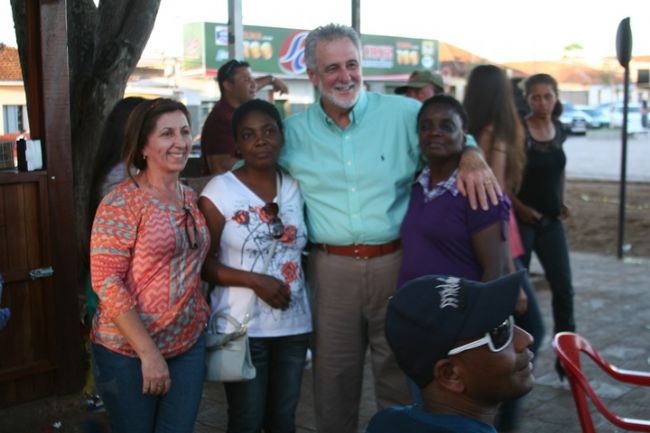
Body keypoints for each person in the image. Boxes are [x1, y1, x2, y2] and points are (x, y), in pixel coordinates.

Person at [280, 23, 501, 433]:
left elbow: (452, 131)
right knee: (333, 380)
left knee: (400, 374)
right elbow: (249, 171)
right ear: (312, 75)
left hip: (396, 265)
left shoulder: (403, 115)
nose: (345, 76)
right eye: (332, 68)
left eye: (352, 64)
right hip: (331, 271)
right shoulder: (292, 134)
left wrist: (472, 153)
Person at [90, 98, 210, 433]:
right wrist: (149, 354)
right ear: (143, 146)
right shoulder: (122, 202)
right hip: (128, 351)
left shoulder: (190, 198)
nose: (180, 142)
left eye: (184, 131)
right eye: (167, 134)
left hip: (187, 343)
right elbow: (107, 282)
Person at [200, 99, 311, 433]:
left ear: (281, 136)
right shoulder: (220, 190)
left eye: (268, 131)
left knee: (283, 420)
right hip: (242, 328)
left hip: (294, 327)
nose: (260, 140)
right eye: (248, 135)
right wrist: (254, 281)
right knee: (246, 421)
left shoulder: (295, 186)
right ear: (237, 143)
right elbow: (201, 264)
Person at [464, 64, 545, 431]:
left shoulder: (474, 133)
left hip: (498, 245)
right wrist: (511, 275)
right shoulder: (493, 135)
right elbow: (494, 204)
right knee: (529, 333)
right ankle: (501, 419)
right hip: (500, 247)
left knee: (500, 338)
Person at [366, 271, 535, 433]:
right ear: (450, 374)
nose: (527, 339)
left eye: (508, 319)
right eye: (500, 332)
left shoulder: (386, 422)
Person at [513, 73, 575, 378]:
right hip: (523, 222)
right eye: (535, 97)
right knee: (518, 295)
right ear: (527, 100)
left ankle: (568, 361)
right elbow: (504, 180)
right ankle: (518, 360)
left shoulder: (559, 129)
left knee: (564, 289)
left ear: (556, 97)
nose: (542, 103)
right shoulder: (519, 132)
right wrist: (521, 209)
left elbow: (559, 169)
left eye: (547, 96)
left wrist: (561, 200)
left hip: (551, 222)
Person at [201, 59, 289, 175]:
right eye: (246, 79)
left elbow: (251, 87)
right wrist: (266, 165)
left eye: (253, 79)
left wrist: (271, 80)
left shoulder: (238, 112)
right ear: (228, 86)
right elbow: (219, 165)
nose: (254, 84)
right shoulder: (221, 119)